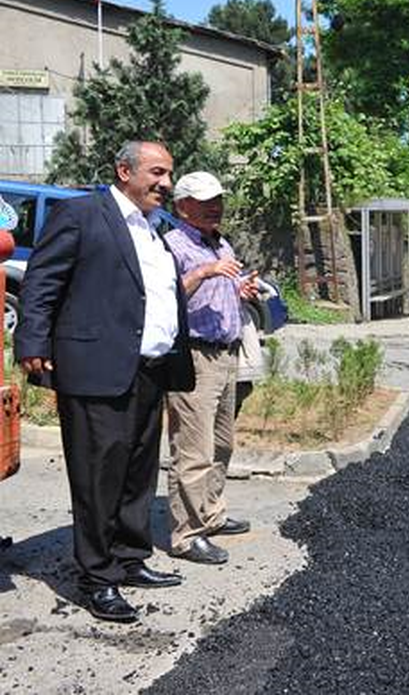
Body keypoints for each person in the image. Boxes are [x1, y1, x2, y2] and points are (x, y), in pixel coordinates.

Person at [14, 141, 195, 623]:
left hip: (149, 370)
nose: (166, 183)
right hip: (95, 368)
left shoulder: (155, 228)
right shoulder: (82, 215)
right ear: (124, 171)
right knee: (98, 478)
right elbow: (42, 280)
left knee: (138, 472)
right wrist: (33, 342)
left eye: (169, 174)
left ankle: (130, 559)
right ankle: (97, 577)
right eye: (157, 172)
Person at [164, 172, 258, 565]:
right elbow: (166, 296)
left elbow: (221, 291)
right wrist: (202, 273)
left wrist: (240, 290)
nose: (214, 207)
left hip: (226, 352)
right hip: (195, 355)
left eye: (217, 199)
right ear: (182, 205)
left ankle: (212, 513)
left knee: (222, 443)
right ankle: (187, 533)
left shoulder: (220, 242)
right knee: (193, 448)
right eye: (204, 201)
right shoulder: (173, 245)